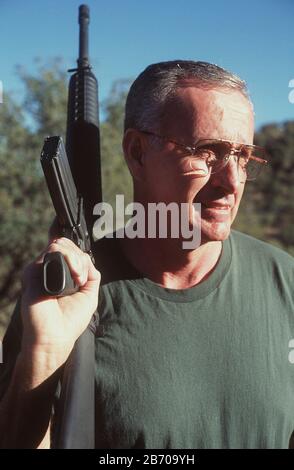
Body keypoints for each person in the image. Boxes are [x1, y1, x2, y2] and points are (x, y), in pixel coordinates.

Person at [0, 60, 294, 449]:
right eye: (208, 152)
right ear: (137, 153)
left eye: (242, 156)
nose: (232, 181)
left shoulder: (285, 281)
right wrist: (44, 355)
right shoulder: (62, 298)